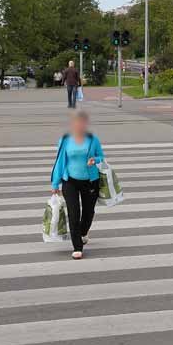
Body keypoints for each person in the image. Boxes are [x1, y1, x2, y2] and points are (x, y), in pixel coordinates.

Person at [50, 111, 105, 260]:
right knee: (74, 214)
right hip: (70, 181)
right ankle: (77, 247)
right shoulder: (65, 140)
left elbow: (102, 157)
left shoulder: (93, 139)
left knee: (88, 212)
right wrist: (55, 182)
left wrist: (95, 159)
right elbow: (60, 161)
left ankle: (83, 232)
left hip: (90, 181)